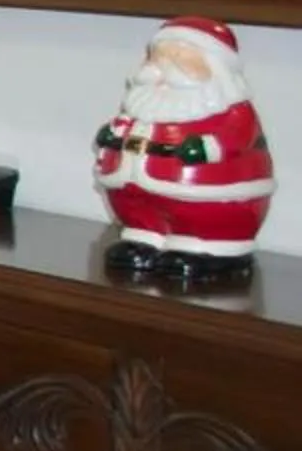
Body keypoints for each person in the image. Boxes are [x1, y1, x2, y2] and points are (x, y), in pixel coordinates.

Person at [94, 15, 277, 281]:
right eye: (158, 56)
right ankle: (144, 239)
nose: (164, 65)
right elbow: (125, 126)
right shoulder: (143, 101)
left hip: (214, 200)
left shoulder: (231, 110)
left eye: (180, 57)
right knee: (139, 212)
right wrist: (112, 135)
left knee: (203, 219)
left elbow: (237, 136)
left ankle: (207, 249)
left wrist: (207, 147)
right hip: (140, 190)